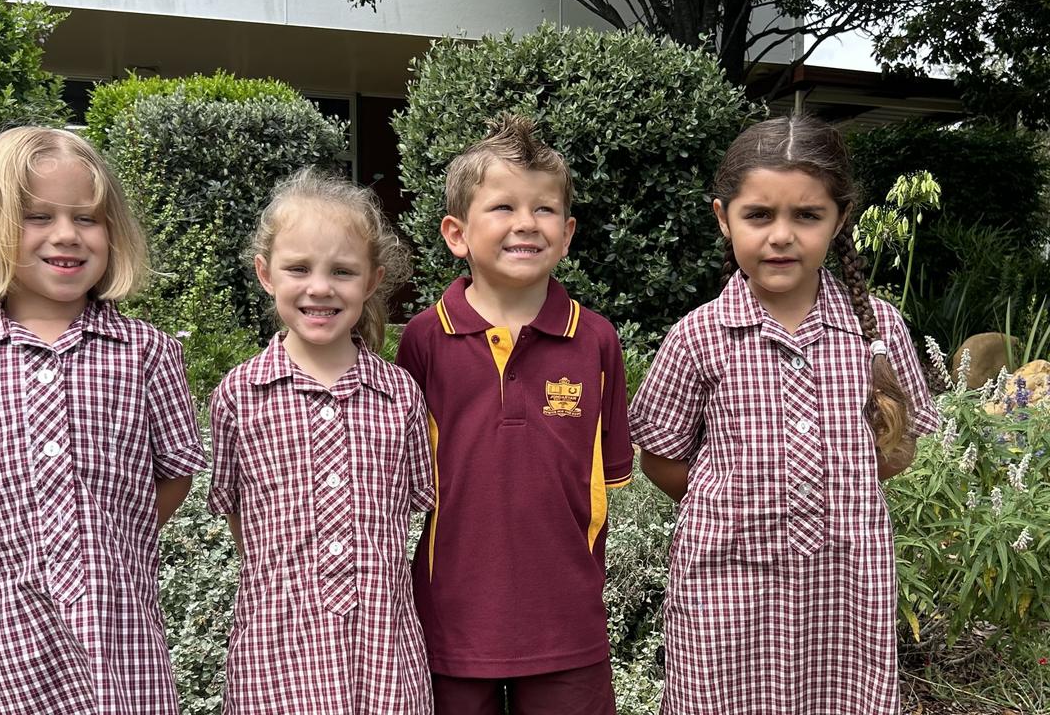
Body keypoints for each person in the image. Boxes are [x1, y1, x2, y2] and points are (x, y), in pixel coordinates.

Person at [629, 115, 941, 713]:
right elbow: (662, 459)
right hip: (726, 590)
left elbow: (897, 450)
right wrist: (731, 501)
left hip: (846, 587)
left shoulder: (877, 333)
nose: (781, 236)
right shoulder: (701, 337)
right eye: (758, 215)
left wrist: (836, 485)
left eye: (807, 215)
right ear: (723, 218)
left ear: (839, 219)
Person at [0, 126, 204, 714]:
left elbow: (175, 472)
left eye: (87, 218)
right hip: (4, 641)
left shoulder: (145, 353)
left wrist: (119, 538)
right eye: (38, 217)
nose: (66, 235)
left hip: (118, 637)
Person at [395, 114, 633, 714]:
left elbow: (609, 482)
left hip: (567, 626)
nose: (526, 223)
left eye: (545, 209)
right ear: (457, 233)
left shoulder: (597, 341)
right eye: (502, 207)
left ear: (569, 231)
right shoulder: (424, 340)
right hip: (449, 623)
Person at [207, 167, 435, 714]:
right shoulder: (240, 395)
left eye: (342, 271)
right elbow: (243, 520)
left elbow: (413, 512)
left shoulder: (398, 396)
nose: (319, 288)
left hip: (382, 657)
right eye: (298, 268)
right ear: (266, 274)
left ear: (372, 281)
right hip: (276, 656)